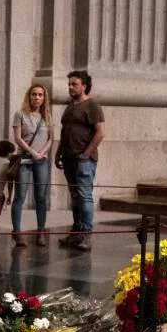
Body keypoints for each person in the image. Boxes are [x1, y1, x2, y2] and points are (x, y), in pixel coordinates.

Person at [55, 71, 105, 252]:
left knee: (84, 196)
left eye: (74, 84)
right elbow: (65, 131)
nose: (70, 87)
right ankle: (76, 231)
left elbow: (100, 132)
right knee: (75, 197)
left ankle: (86, 234)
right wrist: (58, 152)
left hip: (84, 159)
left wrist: (87, 153)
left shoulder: (92, 105)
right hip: (68, 158)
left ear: (84, 85)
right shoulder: (69, 106)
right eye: (69, 84)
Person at [11, 85, 53, 248]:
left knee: (41, 197)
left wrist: (42, 152)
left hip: (41, 160)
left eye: (40, 95)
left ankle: (41, 232)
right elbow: (18, 138)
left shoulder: (47, 116)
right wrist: (32, 152)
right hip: (24, 159)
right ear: (29, 96)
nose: (37, 97)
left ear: (44, 98)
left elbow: (51, 139)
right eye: (34, 94)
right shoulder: (20, 114)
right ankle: (17, 232)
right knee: (20, 196)